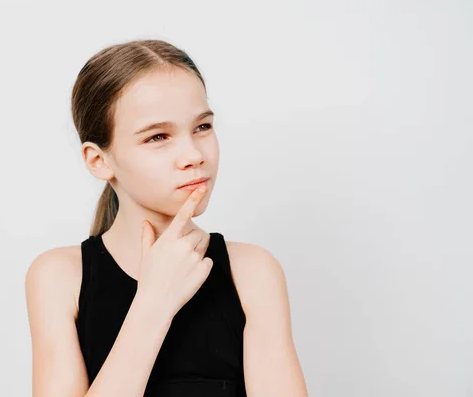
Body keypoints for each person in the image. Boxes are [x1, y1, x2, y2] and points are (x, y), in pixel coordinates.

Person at [25, 39, 308, 397]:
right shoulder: (59, 277)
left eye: (202, 127)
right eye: (158, 136)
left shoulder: (252, 272)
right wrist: (153, 303)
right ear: (99, 160)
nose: (193, 155)